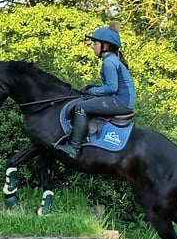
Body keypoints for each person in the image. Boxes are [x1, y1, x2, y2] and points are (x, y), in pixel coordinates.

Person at [55, 21, 136, 159]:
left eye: (96, 44)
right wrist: (93, 88)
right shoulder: (112, 59)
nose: (93, 47)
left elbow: (112, 88)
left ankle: (73, 147)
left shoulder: (109, 62)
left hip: (120, 101)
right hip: (121, 99)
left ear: (105, 46)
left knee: (81, 107)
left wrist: (92, 91)